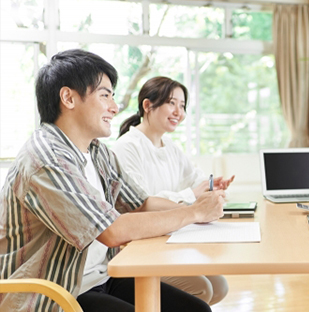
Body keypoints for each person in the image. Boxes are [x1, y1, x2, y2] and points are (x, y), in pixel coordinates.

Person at [0, 49, 224, 312]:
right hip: (54, 293)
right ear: (68, 98)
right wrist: (193, 212)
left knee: (196, 309)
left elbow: (140, 203)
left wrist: (201, 211)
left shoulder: (97, 151)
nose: (115, 107)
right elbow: (112, 231)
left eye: (112, 96)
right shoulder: (47, 159)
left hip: (102, 277)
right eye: (104, 95)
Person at [111, 76, 233, 305]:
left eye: (183, 105)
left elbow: (194, 178)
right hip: (140, 244)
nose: (179, 111)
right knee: (202, 290)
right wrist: (192, 196)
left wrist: (211, 186)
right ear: (147, 106)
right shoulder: (127, 147)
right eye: (172, 103)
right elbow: (141, 204)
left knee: (219, 286)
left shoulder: (170, 147)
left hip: (169, 237)